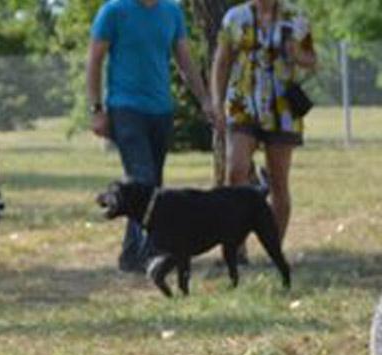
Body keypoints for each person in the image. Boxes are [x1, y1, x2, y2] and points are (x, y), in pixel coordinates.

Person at [87, 0, 217, 273]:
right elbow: (95, 59)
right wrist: (96, 109)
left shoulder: (171, 12)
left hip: (161, 110)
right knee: (142, 178)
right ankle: (149, 254)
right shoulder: (114, 11)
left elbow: (184, 60)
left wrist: (205, 99)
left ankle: (132, 254)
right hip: (125, 108)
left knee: (152, 186)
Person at [211, 0, 316, 244]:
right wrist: (216, 102)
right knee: (236, 172)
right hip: (242, 104)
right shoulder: (235, 17)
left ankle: (274, 247)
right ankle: (234, 247)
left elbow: (312, 60)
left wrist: (297, 54)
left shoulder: (296, 16)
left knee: (278, 180)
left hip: (282, 108)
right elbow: (222, 61)